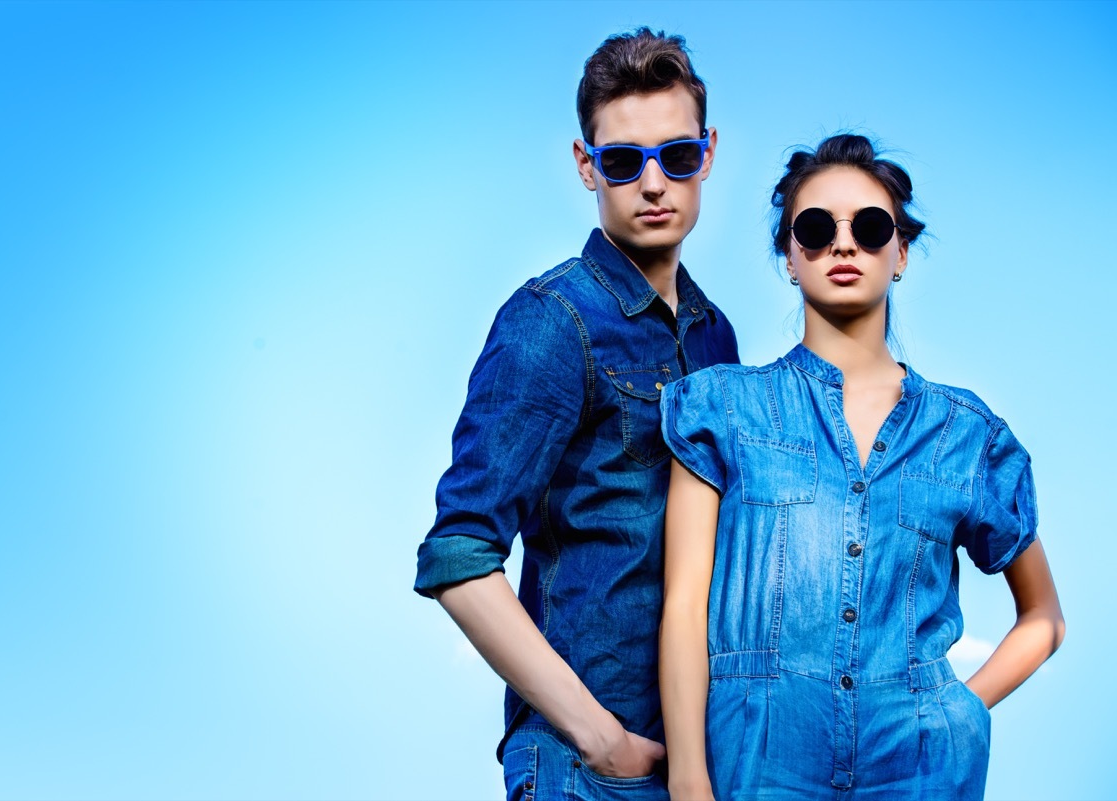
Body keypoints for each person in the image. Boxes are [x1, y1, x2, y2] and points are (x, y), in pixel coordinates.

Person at [657, 133, 1065, 800]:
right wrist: (687, 775)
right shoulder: (723, 408)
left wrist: (960, 710)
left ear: (900, 252)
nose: (843, 244)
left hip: (921, 775)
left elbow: (1043, 616)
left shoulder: (966, 435)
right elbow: (684, 604)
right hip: (754, 766)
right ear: (789, 257)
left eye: (870, 227)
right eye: (815, 228)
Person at [413, 27, 739, 800]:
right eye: (624, 161)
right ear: (587, 165)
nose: (654, 184)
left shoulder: (716, 334)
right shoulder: (552, 319)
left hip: (697, 760)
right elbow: (459, 556)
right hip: (586, 770)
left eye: (677, 156)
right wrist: (597, 736)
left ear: (709, 153)